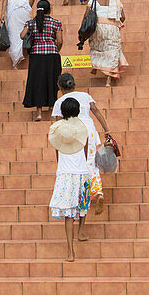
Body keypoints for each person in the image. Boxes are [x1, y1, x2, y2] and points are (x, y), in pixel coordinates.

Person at [52, 73, 112, 215]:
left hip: (72, 133)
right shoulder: (85, 96)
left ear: (59, 87)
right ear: (74, 84)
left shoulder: (60, 102)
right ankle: (98, 192)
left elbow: (59, 123)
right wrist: (107, 130)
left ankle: (79, 196)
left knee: (77, 166)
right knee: (91, 163)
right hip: (89, 132)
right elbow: (96, 111)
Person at [48, 98, 91, 262]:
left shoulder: (57, 130)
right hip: (81, 170)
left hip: (65, 172)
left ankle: (70, 252)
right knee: (83, 204)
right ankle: (81, 230)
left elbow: (57, 151)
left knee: (68, 214)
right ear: (78, 111)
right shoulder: (82, 129)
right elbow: (85, 149)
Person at [21, 0, 63, 121]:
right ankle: (51, 108)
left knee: (37, 82)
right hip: (52, 55)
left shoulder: (31, 23)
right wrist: (56, 48)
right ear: (49, 9)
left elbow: (22, 35)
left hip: (36, 55)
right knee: (52, 80)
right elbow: (60, 41)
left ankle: (38, 112)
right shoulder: (56, 23)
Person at [88, 0, 128, 85]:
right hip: (112, 29)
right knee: (112, 51)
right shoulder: (116, 0)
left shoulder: (93, 1)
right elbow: (123, 17)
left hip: (98, 28)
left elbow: (86, 17)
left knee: (97, 48)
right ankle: (108, 80)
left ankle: (96, 66)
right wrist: (114, 24)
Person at [0, 0, 35, 68]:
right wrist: (28, 6)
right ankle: (21, 54)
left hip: (12, 13)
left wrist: (2, 13)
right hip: (23, 11)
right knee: (23, 32)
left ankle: (16, 59)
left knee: (13, 35)